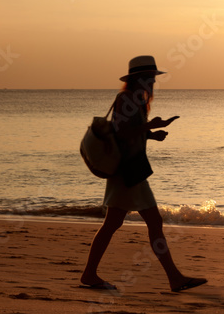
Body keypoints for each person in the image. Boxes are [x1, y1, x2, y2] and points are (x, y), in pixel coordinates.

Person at [80, 55, 207, 293]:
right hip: (128, 172)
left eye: (153, 78)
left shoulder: (135, 98)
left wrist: (152, 134)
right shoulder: (126, 98)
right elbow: (121, 132)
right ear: (138, 78)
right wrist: (150, 126)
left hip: (131, 170)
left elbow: (130, 132)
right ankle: (174, 278)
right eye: (149, 77)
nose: (152, 82)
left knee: (114, 224)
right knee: (147, 223)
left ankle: (90, 273)